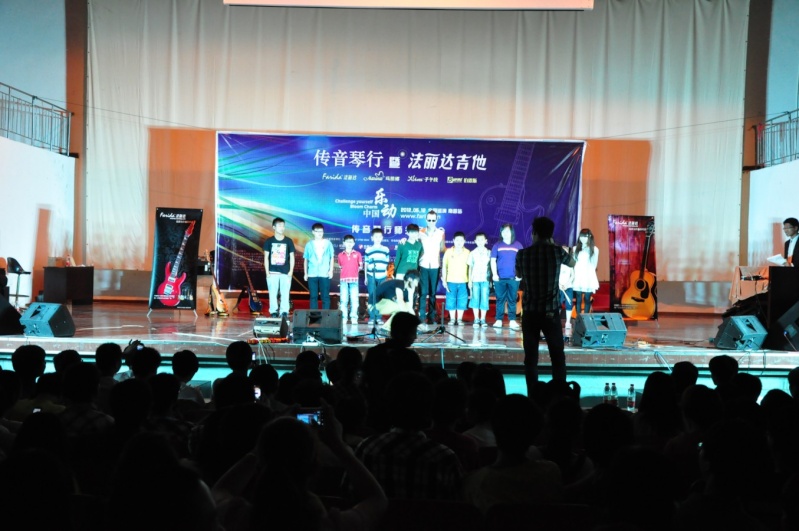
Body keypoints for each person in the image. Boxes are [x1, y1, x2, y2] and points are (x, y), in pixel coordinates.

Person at [515, 217, 575, 393]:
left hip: (530, 312)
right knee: (557, 356)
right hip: (550, 312)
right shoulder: (557, 252)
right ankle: (560, 394)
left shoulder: (522, 254)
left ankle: (533, 394)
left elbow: (518, 274)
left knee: (531, 358)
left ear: (534, 233)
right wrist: (552, 244)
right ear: (550, 234)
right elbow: (573, 263)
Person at [491, 223, 523, 330]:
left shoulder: (518, 245)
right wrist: (495, 274)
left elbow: (521, 261)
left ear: (512, 232)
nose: (505, 233)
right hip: (499, 278)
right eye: (503, 231)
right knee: (500, 299)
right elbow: (492, 261)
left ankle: (512, 320)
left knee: (512, 299)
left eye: (507, 231)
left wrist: (519, 275)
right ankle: (499, 320)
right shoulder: (497, 245)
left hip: (514, 278)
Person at [263, 217, 295, 319]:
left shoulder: (288, 241)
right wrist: (267, 272)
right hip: (272, 271)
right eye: (279, 226)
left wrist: (291, 271)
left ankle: (284, 311)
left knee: (285, 293)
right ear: (274, 227)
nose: (282, 228)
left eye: (283, 226)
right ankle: (273, 311)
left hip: (286, 272)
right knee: (273, 293)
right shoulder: (269, 241)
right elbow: (266, 257)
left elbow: (292, 257)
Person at [418, 210, 446, 324]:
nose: (431, 222)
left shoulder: (440, 233)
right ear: (426, 220)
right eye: (429, 220)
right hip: (423, 265)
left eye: (433, 220)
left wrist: (454, 250)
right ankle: (421, 317)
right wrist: (404, 240)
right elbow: (414, 245)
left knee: (433, 293)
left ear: (436, 220)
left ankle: (431, 317)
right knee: (423, 293)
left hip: (435, 265)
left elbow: (443, 248)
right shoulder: (420, 233)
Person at [303, 222, 335, 310]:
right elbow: (306, 259)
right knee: (313, 296)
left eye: (321, 231)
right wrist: (306, 273)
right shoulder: (309, 244)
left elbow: (332, 257)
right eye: (317, 231)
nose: (319, 233)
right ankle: (314, 316)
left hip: (324, 273)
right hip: (312, 274)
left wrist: (331, 270)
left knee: (325, 296)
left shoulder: (328, 243)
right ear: (313, 232)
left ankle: (326, 316)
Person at [364, 227, 390, 325]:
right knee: (372, 296)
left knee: (380, 297)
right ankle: (372, 317)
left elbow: (387, 263)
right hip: (371, 275)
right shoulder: (368, 250)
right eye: (376, 237)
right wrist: (366, 277)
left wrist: (386, 275)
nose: (378, 239)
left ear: (382, 238)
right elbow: (366, 264)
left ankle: (378, 317)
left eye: (380, 237)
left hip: (382, 276)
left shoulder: (386, 249)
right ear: (372, 238)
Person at [572, 228, 599, 315]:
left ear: (589, 237)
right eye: (581, 236)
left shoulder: (594, 249)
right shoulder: (575, 248)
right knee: (578, 299)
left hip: (588, 276)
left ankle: (586, 318)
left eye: (585, 237)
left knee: (587, 298)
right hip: (578, 275)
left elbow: (594, 264)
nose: (583, 239)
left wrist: (589, 272)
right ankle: (578, 318)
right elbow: (574, 263)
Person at [337, 234, 363, 325]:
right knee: (343, 300)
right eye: (347, 242)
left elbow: (360, 267)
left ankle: (354, 317)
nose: (349, 244)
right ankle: (344, 318)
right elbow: (340, 266)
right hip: (343, 280)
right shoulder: (340, 255)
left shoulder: (358, 254)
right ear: (344, 243)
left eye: (351, 242)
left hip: (354, 280)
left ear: (354, 243)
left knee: (354, 300)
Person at [468, 232, 491, 327]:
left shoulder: (489, 252)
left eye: (482, 240)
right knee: (475, 299)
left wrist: (491, 281)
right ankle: (476, 319)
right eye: (478, 240)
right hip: (475, 279)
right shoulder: (472, 253)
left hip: (485, 279)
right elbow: (470, 267)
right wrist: (469, 280)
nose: (480, 242)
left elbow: (491, 267)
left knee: (484, 299)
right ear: (475, 241)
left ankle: (483, 319)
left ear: (486, 241)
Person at [559, 262, 575, 336]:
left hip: (568, 287)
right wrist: (559, 284)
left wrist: (567, 284)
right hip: (559, 287)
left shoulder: (570, 263)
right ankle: (556, 321)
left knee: (569, 304)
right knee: (558, 304)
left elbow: (572, 275)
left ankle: (568, 322)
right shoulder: (558, 262)